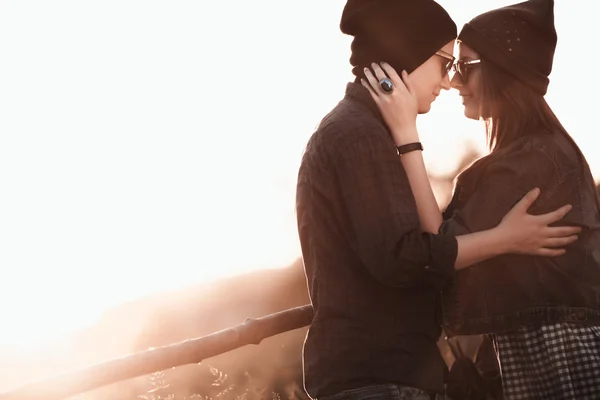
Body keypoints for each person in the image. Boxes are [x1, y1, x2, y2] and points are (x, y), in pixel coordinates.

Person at [295, 0, 581, 399]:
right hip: (376, 376)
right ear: (406, 54)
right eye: (445, 62)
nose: (449, 81)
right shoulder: (360, 135)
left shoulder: (371, 133)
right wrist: (505, 239)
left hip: (388, 372)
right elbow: (404, 257)